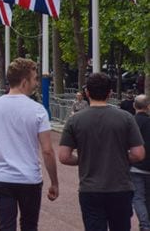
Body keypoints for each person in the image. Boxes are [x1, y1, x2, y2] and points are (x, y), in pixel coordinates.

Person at [0, 58, 59, 230]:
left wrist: (3, 148)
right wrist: (54, 182)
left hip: (2, 177)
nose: (37, 83)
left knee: (6, 227)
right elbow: (48, 151)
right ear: (24, 81)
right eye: (35, 79)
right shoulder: (38, 110)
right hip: (29, 178)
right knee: (29, 226)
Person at [59, 73, 145, 231]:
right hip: (120, 187)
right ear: (109, 93)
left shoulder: (74, 120)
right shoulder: (126, 118)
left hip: (90, 188)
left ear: (87, 93)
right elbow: (138, 154)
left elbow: (64, 156)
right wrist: (120, 156)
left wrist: (83, 158)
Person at [131, 94, 150, 231]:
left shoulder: (130, 122)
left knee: (138, 197)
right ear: (148, 107)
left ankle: (144, 224)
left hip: (135, 165)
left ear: (134, 106)